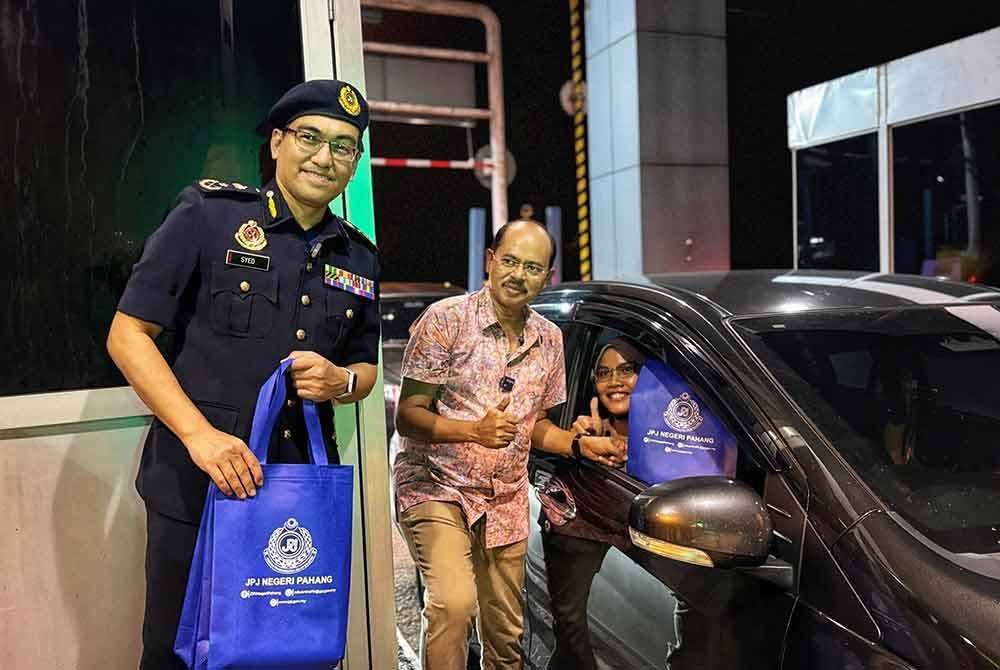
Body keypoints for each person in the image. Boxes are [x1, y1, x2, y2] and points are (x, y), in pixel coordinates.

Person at [106, 79, 380, 670]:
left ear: (354, 164)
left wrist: (343, 383)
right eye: (311, 138)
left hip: (295, 491)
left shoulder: (358, 256)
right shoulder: (209, 216)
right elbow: (128, 335)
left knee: (286, 651)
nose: (324, 158)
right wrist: (199, 436)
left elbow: (367, 368)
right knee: (178, 650)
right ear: (278, 142)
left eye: (343, 147)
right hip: (199, 483)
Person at [393, 220, 626, 670]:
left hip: (505, 497)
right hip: (437, 485)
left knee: (506, 633)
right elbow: (409, 416)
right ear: (490, 261)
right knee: (454, 605)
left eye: (533, 267)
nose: (518, 274)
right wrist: (472, 431)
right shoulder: (446, 320)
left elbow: (535, 427)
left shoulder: (549, 339)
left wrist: (579, 446)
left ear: (547, 276)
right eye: (511, 261)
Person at [538, 338, 644, 670]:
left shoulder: (677, 439)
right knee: (573, 639)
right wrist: (583, 444)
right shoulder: (586, 431)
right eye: (603, 373)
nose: (614, 381)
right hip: (583, 553)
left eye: (627, 370)